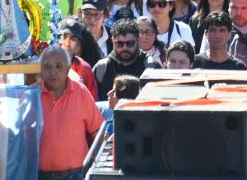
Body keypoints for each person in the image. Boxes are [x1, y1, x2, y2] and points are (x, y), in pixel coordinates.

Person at [38, 45, 103, 180]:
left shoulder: (81, 92)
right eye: (47, 67)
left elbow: (98, 133)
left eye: (58, 66)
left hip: (77, 174)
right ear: (41, 70)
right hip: (40, 175)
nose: (53, 72)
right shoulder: (32, 96)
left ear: (68, 69)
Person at [92, 19, 161, 100]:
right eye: (119, 43)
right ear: (113, 41)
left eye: (130, 43)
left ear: (138, 40)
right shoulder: (102, 68)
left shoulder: (151, 67)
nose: (125, 48)